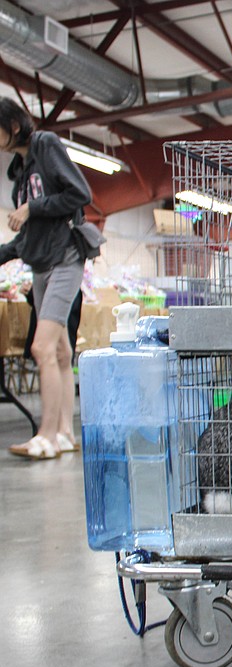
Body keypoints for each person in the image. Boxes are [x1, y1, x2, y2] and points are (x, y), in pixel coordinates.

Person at [0, 97, 93, 460]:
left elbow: (79, 194)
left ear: (12, 125)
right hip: (40, 263)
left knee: (41, 348)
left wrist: (32, 207)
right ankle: (66, 434)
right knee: (57, 350)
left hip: (65, 258)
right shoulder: (20, 173)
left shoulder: (45, 145)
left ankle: (47, 436)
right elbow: (26, 238)